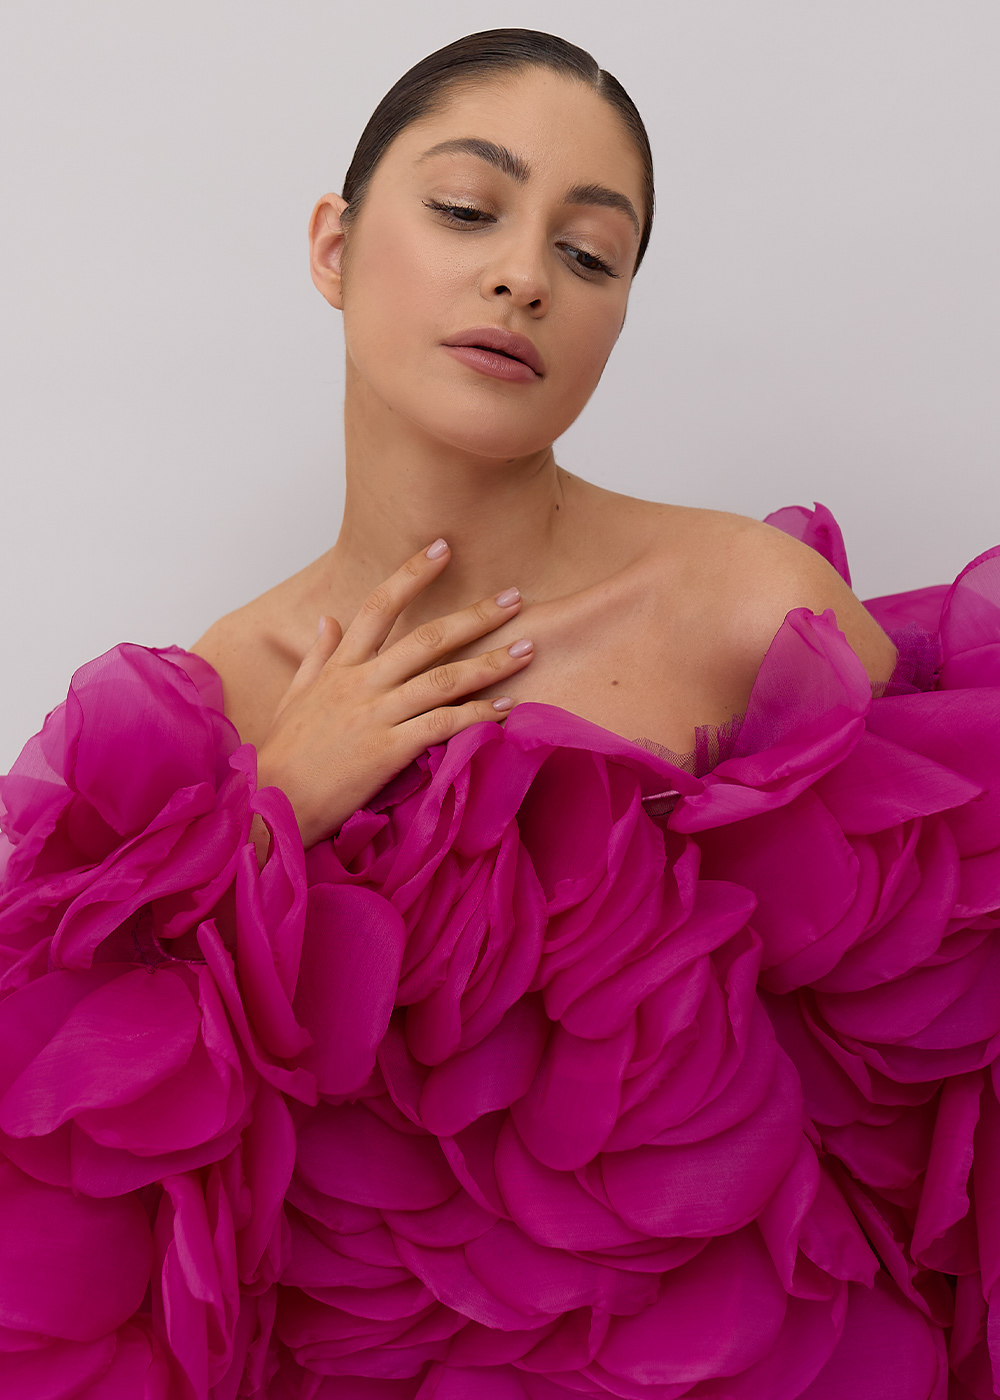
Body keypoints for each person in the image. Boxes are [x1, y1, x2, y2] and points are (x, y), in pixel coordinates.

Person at [0, 27, 998, 1400]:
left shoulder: (748, 613)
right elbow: (76, 1174)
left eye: (590, 256)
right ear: (334, 247)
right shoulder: (226, 695)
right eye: (469, 210)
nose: (523, 274)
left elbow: (949, 1056)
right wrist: (272, 814)